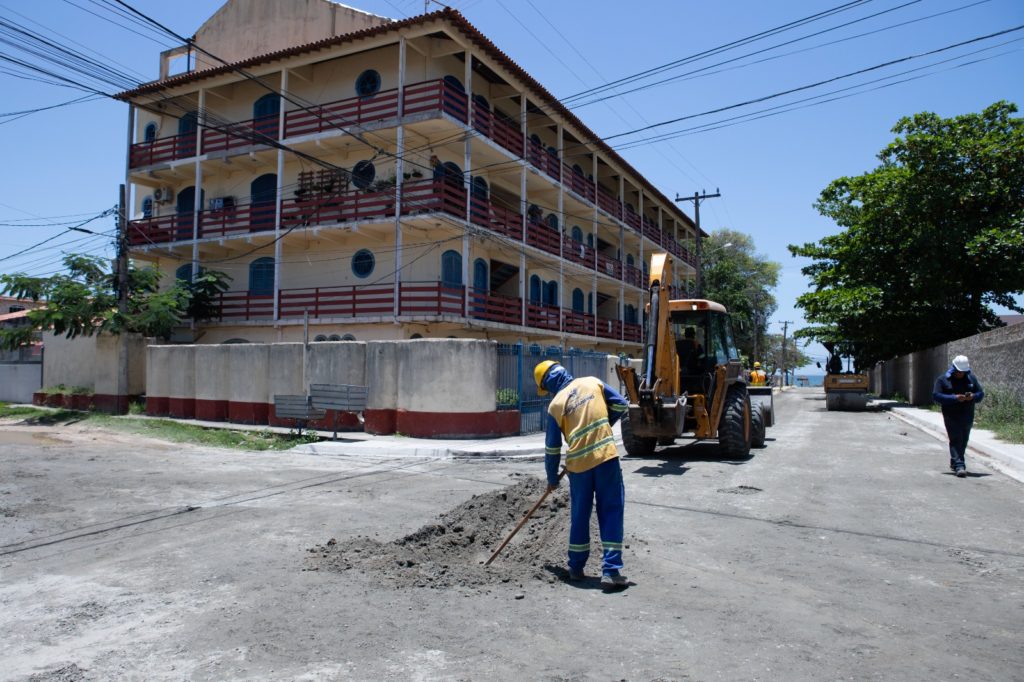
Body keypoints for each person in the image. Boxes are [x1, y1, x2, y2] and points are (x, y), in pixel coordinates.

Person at [535, 360, 630, 589]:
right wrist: (603, 424)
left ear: (548, 385)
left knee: (580, 515)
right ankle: (610, 570)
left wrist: (551, 478)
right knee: (610, 511)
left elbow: (552, 448)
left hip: (578, 467)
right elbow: (620, 404)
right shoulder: (592, 382)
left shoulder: (555, 405)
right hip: (606, 457)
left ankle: (576, 568)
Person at [932, 355, 984, 478]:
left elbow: (981, 394)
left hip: (967, 414)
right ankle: (960, 466)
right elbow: (936, 396)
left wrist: (973, 396)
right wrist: (954, 398)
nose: (961, 374)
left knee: (964, 440)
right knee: (955, 439)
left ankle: (955, 461)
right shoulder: (943, 380)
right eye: (959, 371)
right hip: (951, 415)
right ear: (954, 368)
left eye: (963, 372)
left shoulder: (971, 378)